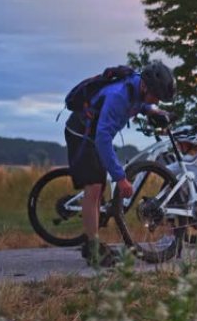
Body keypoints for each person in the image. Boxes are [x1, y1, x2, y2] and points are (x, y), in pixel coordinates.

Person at [64, 61, 176, 267]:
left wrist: (153, 111)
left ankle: (94, 239)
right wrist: (121, 178)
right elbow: (102, 139)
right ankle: (92, 249)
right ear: (146, 87)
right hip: (81, 133)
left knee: (99, 184)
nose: (157, 100)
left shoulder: (137, 86)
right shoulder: (118, 97)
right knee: (95, 188)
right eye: (156, 96)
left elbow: (141, 103)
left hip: (96, 134)